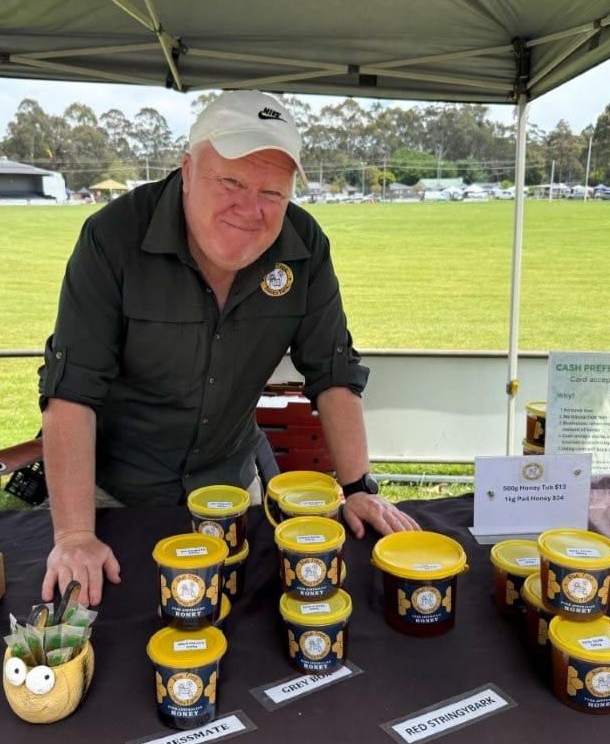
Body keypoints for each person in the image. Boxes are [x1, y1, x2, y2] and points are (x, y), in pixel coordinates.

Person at [38, 90, 419, 607]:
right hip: (112, 499)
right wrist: (75, 538)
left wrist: (358, 488)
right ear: (188, 169)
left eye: (273, 193)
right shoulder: (113, 239)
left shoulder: (305, 247)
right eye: (232, 182)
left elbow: (333, 371)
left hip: (233, 491)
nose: (251, 209)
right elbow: (71, 391)